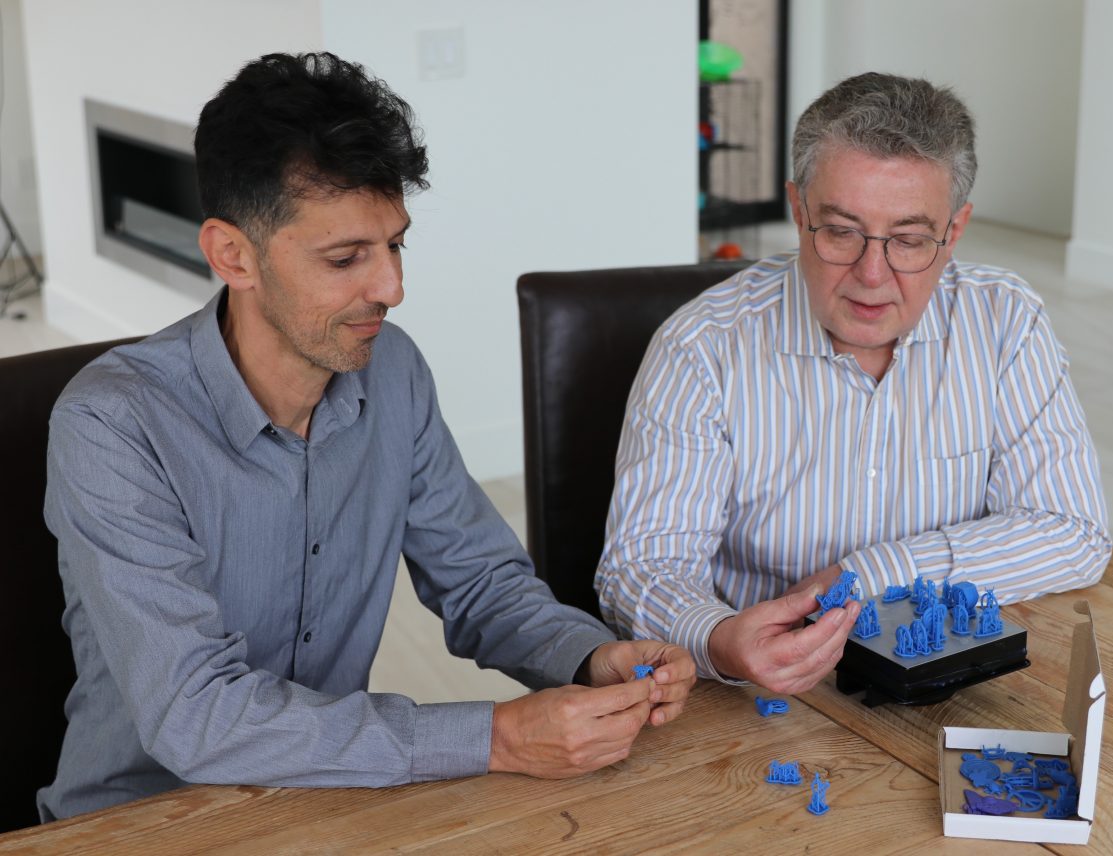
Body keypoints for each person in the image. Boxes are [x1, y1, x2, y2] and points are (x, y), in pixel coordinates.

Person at [39, 52, 694, 822]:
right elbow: (196, 715)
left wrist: (588, 655)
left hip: (327, 803)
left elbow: (481, 582)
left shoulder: (393, 370)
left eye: (395, 246)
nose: (392, 288)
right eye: (346, 257)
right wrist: (495, 737)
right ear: (232, 255)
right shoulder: (112, 425)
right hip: (138, 826)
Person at [596, 71, 1109, 694]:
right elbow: (642, 569)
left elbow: (1073, 530)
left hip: (947, 673)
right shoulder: (700, 346)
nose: (872, 274)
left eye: (909, 240)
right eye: (841, 231)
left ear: (954, 231)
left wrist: (869, 573)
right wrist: (718, 639)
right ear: (799, 211)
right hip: (760, 693)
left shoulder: (1006, 321)